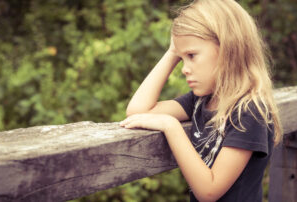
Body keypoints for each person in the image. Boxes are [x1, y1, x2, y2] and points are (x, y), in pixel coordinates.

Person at [120, 0, 282, 201]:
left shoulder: (249, 111)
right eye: (182, 59)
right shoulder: (202, 101)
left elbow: (209, 191)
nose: (184, 69)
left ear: (227, 48)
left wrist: (171, 127)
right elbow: (138, 112)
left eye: (191, 55)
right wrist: (172, 52)